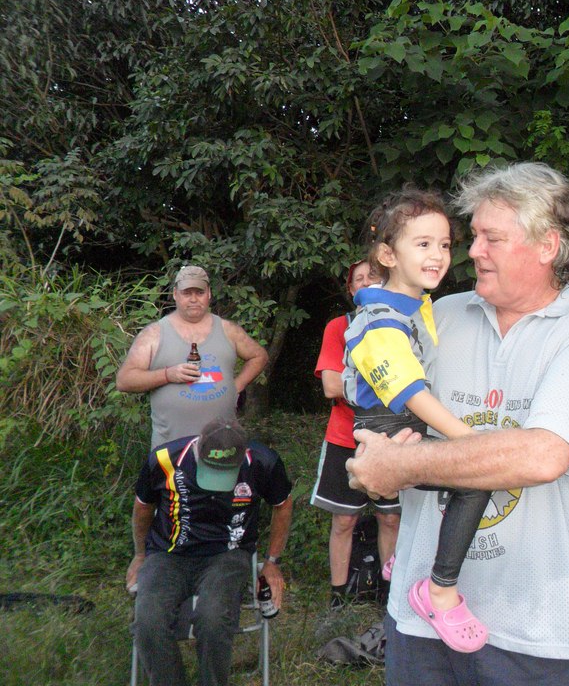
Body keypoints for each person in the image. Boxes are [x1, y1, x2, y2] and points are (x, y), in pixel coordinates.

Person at [347, 162, 569, 686]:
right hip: (421, 626)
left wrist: (403, 465)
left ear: (547, 246)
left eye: (491, 238)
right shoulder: (440, 315)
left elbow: (543, 456)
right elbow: (378, 407)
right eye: (474, 235)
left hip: (538, 630)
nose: (473, 250)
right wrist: (374, 458)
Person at [343, 186, 490, 652]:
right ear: (388, 254)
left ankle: (403, 562)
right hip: (389, 427)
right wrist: (468, 439)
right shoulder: (381, 317)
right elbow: (410, 390)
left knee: (438, 492)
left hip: (401, 423)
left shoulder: (415, 304)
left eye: (444, 244)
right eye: (423, 244)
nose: (438, 255)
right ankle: (439, 589)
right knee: (475, 480)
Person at [126, 419, 293, 686]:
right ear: (197, 451)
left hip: (228, 554)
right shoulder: (165, 459)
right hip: (168, 553)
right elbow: (143, 506)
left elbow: (282, 505)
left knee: (213, 619)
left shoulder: (263, 462)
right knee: (148, 621)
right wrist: (139, 555)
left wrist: (272, 562)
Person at [311, 259, 401, 610]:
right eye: (357, 279)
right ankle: (338, 597)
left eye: (372, 276)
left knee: (390, 518)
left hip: (394, 437)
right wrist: (387, 389)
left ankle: (389, 593)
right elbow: (331, 386)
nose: (365, 283)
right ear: (351, 291)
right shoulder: (339, 326)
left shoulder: (400, 323)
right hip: (345, 436)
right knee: (344, 519)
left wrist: (362, 387)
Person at [115, 265, 269, 449]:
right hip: (170, 449)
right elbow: (124, 381)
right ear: (175, 294)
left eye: (200, 292)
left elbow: (259, 355)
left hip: (222, 447)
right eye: (187, 293)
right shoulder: (154, 334)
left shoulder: (228, 330)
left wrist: (236, 386)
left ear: (209, 293)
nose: (194, 299)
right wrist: (167, 375)